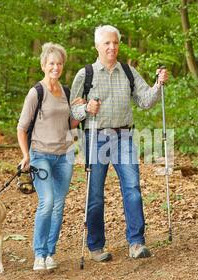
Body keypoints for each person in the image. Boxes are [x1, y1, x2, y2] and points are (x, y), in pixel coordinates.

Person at [70, 25, 168, 262]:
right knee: (94, 194)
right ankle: (95, 246)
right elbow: (72, 111)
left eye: (115, 43)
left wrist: (158, 85)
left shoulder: (128, 72)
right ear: (97, 46)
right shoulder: (85, 75)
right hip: (95, 137)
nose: (112, 47)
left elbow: (145, 101)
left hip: (124, 136)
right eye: (107, 43)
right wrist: (86, 108)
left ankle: (136, 242)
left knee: (132, 188)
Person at [17, 43, 82, 271]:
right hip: (40, 154)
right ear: (44, 65)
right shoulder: (37, 92)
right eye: (51, 63)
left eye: (59, 63)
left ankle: (50, 252)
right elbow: (22, 127)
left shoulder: (65, 91)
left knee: (59, 204)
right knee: (47, 202)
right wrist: (26, 155)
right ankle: (39, 253)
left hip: (64, 156)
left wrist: (82, 112)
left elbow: (70, 124)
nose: (56, 67)